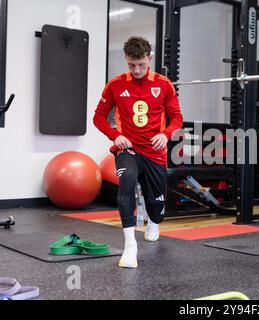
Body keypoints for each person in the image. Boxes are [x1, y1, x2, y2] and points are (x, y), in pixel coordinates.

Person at [93, 36, 183, 268]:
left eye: (141, 64)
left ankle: (154, 222)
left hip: (155, 152)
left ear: (149, 58)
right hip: (128, 149)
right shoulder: (115, 84)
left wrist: (165, 134)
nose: (137, 69)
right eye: (132, 65)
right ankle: (130, 245)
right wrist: (116, 136)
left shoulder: (164, 84)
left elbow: (177, 118)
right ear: (126, 59)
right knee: (127, 181)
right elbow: (98, 117)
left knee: (158, 210)